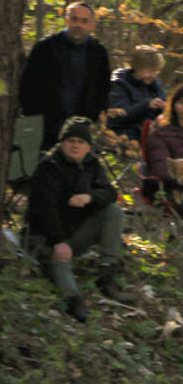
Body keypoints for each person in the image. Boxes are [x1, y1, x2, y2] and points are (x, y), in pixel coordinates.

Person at [24, 117, 122, 323]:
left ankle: (107, 273)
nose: (75, 146)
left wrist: (89, 197)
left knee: (113, 212)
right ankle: (72, 299)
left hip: (74, 233)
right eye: (71, 141)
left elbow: (110, 193)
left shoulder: (91, 164)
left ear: (88, 147)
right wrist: (58, 241)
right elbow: (44, 210)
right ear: (62, 143)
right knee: (60, 268)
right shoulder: (49, 167)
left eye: (81, 142)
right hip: (46, 238)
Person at [18, 2, 111, 148]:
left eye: (84, 21)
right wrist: (35, 117)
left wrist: (94, 119)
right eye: (74, 19)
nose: (78, 25)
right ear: (66, 20)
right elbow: (28, 86)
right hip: (45, 127)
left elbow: (104, 89)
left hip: (81, 129)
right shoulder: (45, 47)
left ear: (91, 25)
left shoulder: (98, 52)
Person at [105, 45, 165, 140]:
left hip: (151, 135)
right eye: (150, 71)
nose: (153, 76)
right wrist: (146, 105)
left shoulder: (155, 83)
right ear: (137, 68)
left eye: (156, 72)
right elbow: (118, 117)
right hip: (125, 136)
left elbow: (163, 109)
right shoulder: (119, 83)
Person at [137, 83, 183, 205]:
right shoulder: (160, 135)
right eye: (181, 103)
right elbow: (161, 170)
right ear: (173, 106)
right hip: (174, 189)